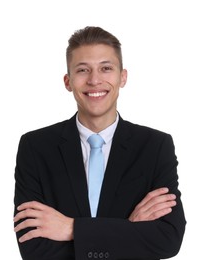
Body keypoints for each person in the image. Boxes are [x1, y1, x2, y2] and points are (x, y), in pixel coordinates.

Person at [13, 26, 186, 260]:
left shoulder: (155, 146)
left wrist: (71, 228)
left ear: (122, 77)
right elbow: (33, 248)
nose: (95, 80)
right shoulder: (35, 147)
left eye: (106, 68)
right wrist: (128, 227)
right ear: (68, 81)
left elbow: (168, 239)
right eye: (83, 70)